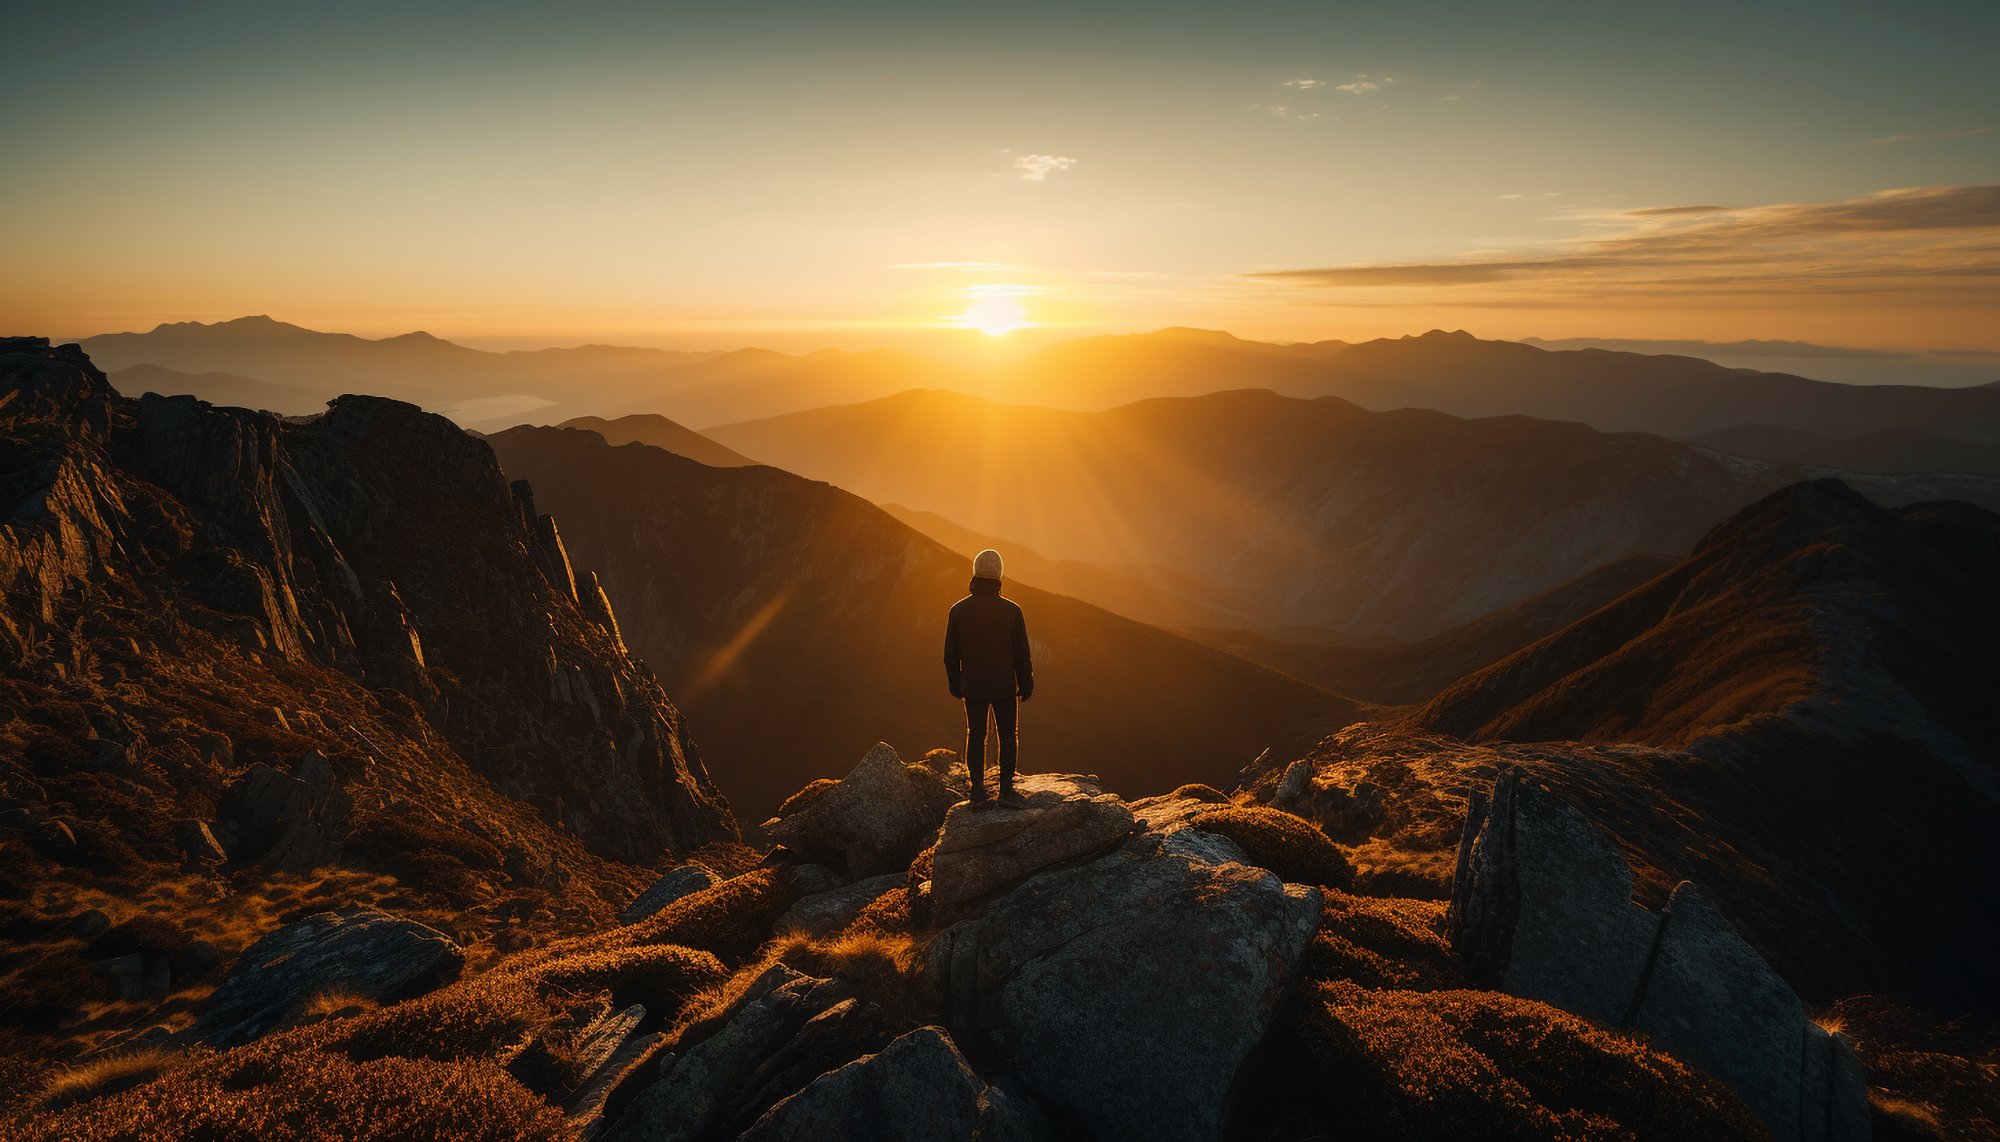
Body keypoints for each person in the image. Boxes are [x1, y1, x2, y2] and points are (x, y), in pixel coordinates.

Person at [943, 548, 1033, 809]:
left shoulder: (958, 610)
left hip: (973, 686)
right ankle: (1006, 791)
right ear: (999, 576)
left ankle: (978, 793)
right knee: (1007, 736)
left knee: (976, 734)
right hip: (1004, 685)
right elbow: (1021, 654)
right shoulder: (1012, 611)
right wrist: (1025, 683)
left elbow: (951, 654)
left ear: (975, 573)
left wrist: (955, 683)